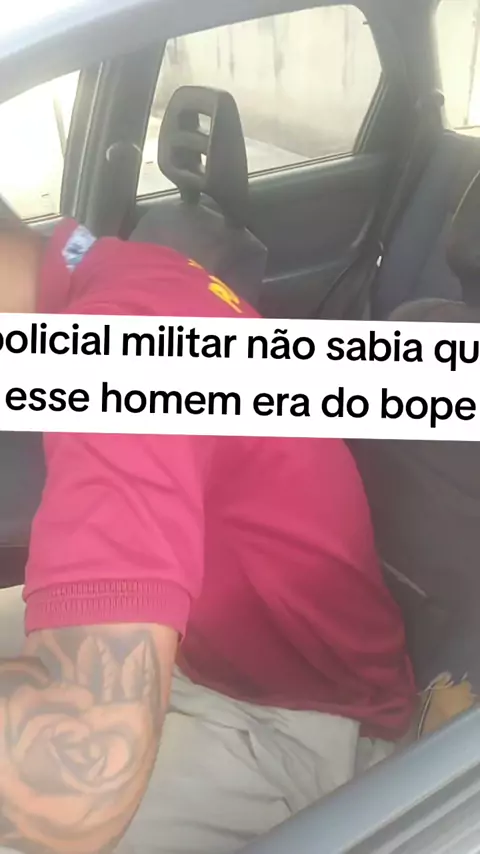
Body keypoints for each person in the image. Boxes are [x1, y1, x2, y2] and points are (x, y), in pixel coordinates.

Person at [0, 217, 415, 854]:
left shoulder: (120, 351)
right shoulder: (114, 267)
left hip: (300, 720)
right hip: (215, 643)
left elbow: (75, 795)